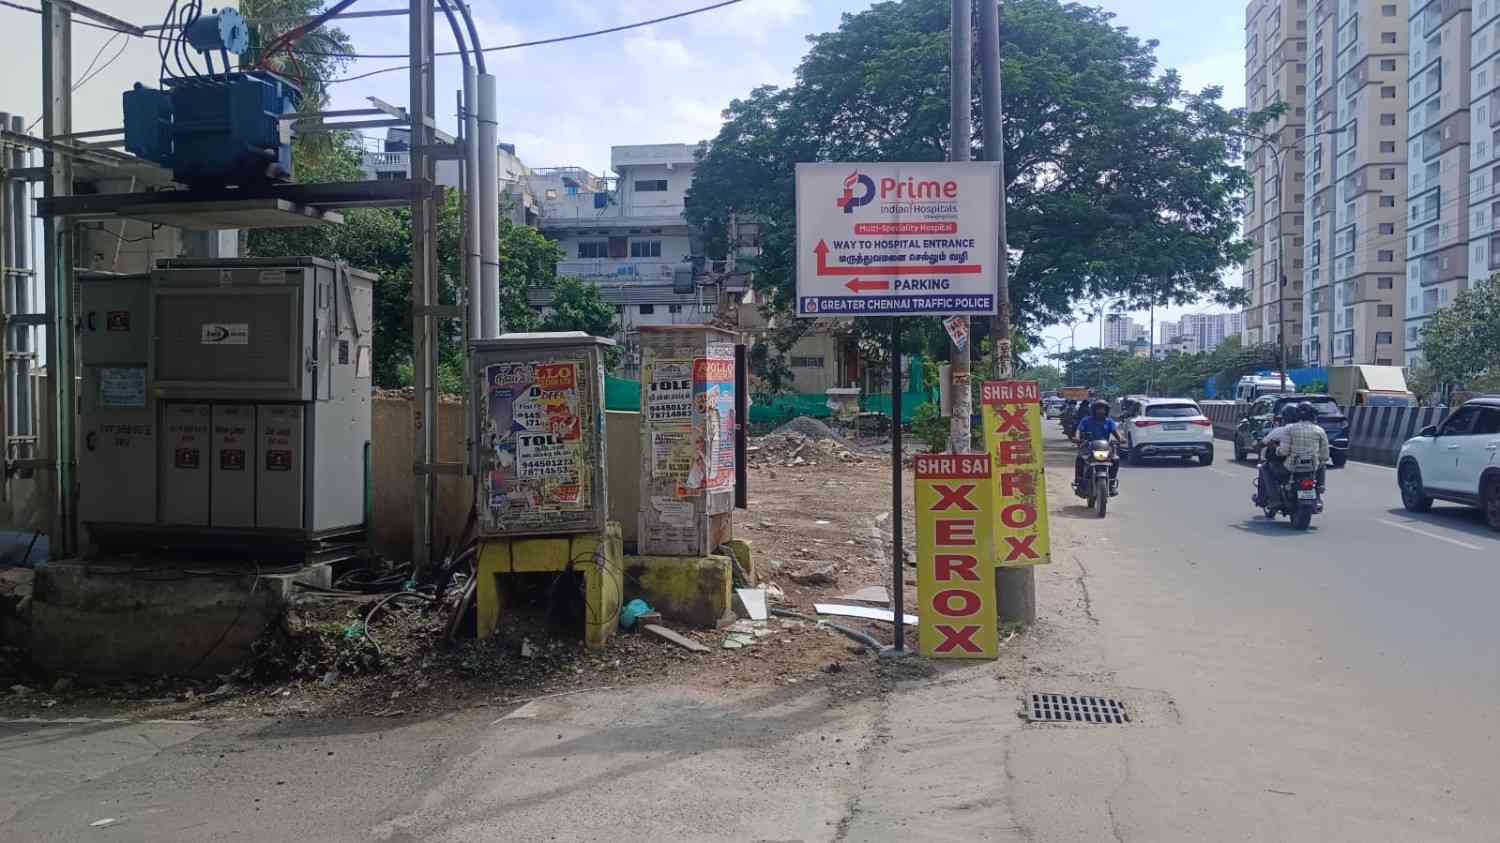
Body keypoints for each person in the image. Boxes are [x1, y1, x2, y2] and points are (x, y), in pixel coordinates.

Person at [1255, 401, 1330, 507]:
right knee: (1322, 464)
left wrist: (1275, 448)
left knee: (1266, 468)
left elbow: (1283, 452)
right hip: (1312, 467)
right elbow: (1325, 456)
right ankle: (1319, 490)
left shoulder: (1289, 429)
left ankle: (1275, 499)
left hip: (1291, 467)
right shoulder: (1320, 430)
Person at [1074, 400, 1125, 496]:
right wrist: (1077, 438)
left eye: (1103, 409)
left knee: (1116, 459)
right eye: (1098, 409)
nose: (1101, 411)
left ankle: (1111, 484)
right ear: (1094, 410)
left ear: (1106, 410)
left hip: (1105, 447)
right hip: (1088, 447)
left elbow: (1116, 432)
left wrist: (1121, 439)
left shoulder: (1109, 421)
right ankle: (1079, 483)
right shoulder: (1086, 420)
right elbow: (1079, 430)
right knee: (1080, 459)